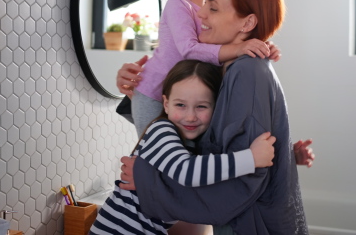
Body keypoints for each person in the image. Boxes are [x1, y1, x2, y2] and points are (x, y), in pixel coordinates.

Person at [117, 0, 310, 234]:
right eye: (206, 2)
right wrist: (137, 87)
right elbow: (209, 138)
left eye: (214, 8)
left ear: (247, 23)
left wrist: (148, 181)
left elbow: (243, 181)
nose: (201, 13)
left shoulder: (247, 72)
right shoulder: (230, 69)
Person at [89, 59, 277, 235]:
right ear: (166, 104)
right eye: (180, 105)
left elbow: (210, 168)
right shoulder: (161, 130)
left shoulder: (192, 142)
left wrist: (290, 154)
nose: (190, 117)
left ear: (216, 109)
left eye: (201, 107)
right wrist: (251, 158)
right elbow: (186, 171)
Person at [128, 0, 275, 136]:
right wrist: (239, 48)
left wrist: (260, 45)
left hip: (185, 95)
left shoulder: (211, 3)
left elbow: (231, 34)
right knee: (152, 146)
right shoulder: (177, 5)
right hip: (153, 92)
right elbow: (189, 50)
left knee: (180, 149)